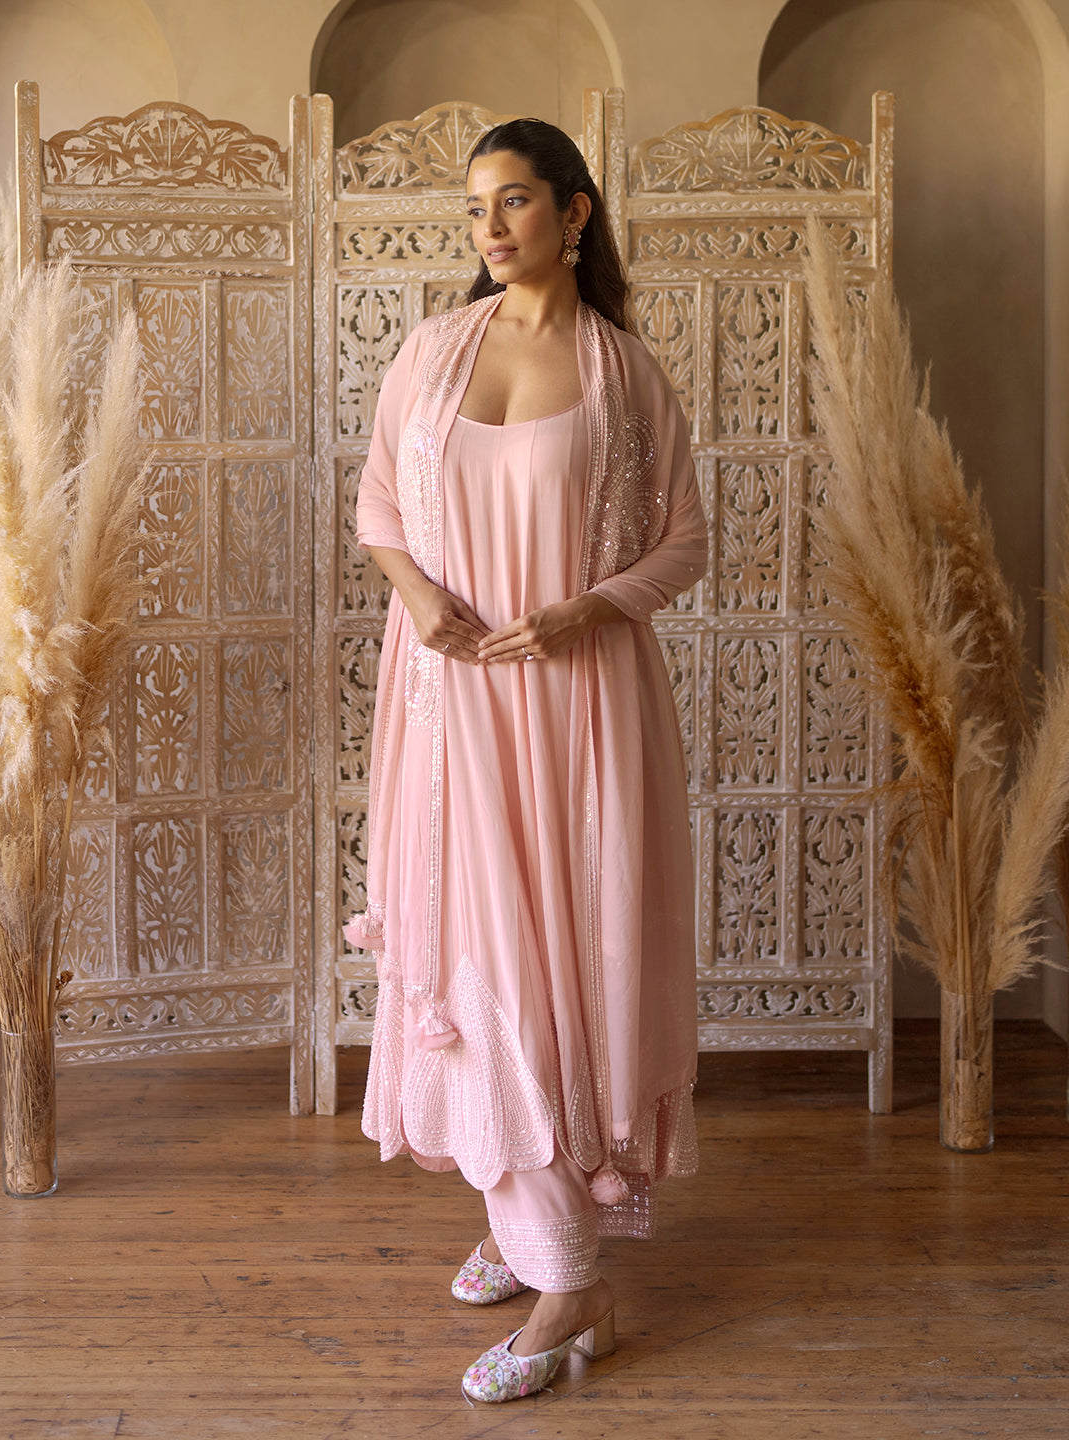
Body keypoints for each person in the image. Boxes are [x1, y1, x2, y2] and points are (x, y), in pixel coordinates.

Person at [344, 116, 707, 1404]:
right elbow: (378, 503)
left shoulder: (624, 374)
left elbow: (684, 542)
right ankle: (535, 1229)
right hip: (450, 710)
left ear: (575, 211)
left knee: (569, 959)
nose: (490, 228)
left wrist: (581, 611)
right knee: (479, 955)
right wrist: (417, 595)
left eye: (512, 201)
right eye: (475, 208)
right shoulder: (433, 351)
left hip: (580, 704)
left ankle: (570, 1284)